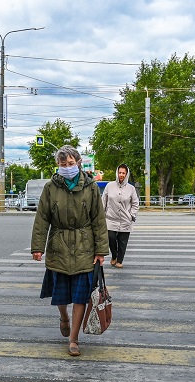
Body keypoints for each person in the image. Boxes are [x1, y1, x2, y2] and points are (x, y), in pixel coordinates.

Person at [31, 145, 109, 356]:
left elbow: (98, 220)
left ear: (78, 163)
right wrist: (37, 247)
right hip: (59, 245)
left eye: (71, 164)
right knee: (61, 295)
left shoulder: (91, 186)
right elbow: (42, 218)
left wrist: (101, 251)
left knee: (80, 296)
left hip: (85, 246)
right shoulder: (50, 187)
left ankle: (74, 339)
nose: (67, 168)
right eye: (63, 164)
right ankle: (64, 317)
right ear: (58, 165)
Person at [102, 163, 139, 268]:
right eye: (120, 172)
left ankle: (119, 260)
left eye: (124, 173)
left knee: (123, 242)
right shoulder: (110, 186)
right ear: (117, 173)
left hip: (125, 219)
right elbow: (103, 201)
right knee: (111, 238)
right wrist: (102, 215)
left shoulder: (131, 188)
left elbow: (135, 203)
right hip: (111, 218)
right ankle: (114, 255)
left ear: (126, 174)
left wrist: (132, 215)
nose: (121, 175)